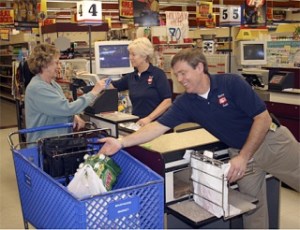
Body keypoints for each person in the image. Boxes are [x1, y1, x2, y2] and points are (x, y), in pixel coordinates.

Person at [99, 48, 300, 229]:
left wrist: (244, 156)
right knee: (252, 211)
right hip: (240, 153)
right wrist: (121, 142)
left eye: (183, 73)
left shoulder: (231, 83)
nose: (180, 79)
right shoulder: (186, 102)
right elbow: (157, 127)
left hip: (271, 143)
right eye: (176, 75)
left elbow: (262, 119)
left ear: (200, 67)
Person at [25, 43, 105, 143]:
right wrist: (94, 92)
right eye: (56, 63)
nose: (59, 66)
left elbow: (58, 108)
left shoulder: (53, 84)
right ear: (45, 65)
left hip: (56, 142)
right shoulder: (37, 88)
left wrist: (73, 116)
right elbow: (66, 108)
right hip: (43, 146)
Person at [106, 37, 172, 127]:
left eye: (133, 55)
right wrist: (88, 89)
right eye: (129, 54)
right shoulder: (131, 77)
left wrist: (149, 118)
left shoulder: (158, 74)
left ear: (144, 56)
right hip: (138, 123)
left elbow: (167, 101)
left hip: (156, 124)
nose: (130, 58)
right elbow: (113, 86)